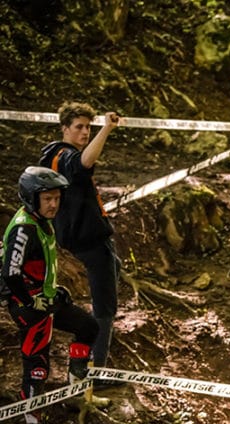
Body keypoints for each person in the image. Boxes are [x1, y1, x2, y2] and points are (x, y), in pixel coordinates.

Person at [1, 167, 99, 424]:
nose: (53, 204)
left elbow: (34, 266)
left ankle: (75, 393)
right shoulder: (24, 229)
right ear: (32, 198)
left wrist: (52, 290)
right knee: (37, 369)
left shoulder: (39, 220)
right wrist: (30, 301)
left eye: (56, 198)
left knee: (87, 326)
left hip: (44, 299)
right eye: (47, 199)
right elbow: (10, 273)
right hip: (30, 308)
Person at [40, 101, 122, 387]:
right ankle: (97, 372)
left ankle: (93, 348)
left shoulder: (52, 155)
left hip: (82, 237)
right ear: (65, 128)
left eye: (89, 127)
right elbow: (84, 163)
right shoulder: (65, 156)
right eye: (79, 127)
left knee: (115, 268)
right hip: (89, 241)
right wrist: (106, 129)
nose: (85, 132)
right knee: (106, 308)